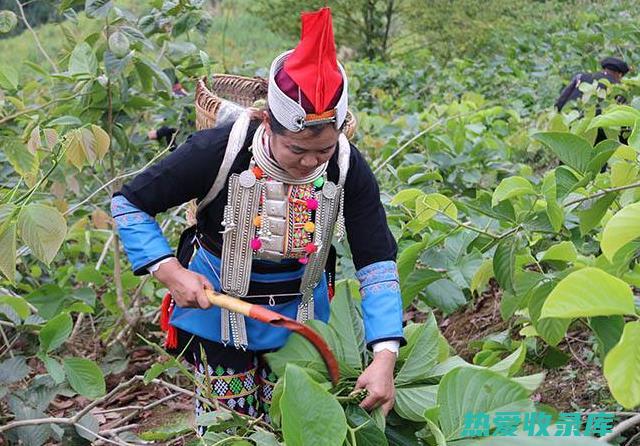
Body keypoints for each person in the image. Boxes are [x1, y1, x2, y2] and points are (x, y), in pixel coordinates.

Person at [111, 7, 404, 426]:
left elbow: (376, 261)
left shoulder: (345, 165)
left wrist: (384, 356)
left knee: (291, 422)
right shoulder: (218, 150)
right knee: (230, 428)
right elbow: (129, 204)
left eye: (321, 151)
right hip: (218, 313)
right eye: (297, 150)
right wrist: (169, 271)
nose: (309, 163)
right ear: (268, 122)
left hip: (302, 321)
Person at [555, 56, 629, 112]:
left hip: (570, 117)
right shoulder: (617, 86)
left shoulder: (581, 76)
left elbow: (561, 100)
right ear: (619, 74)